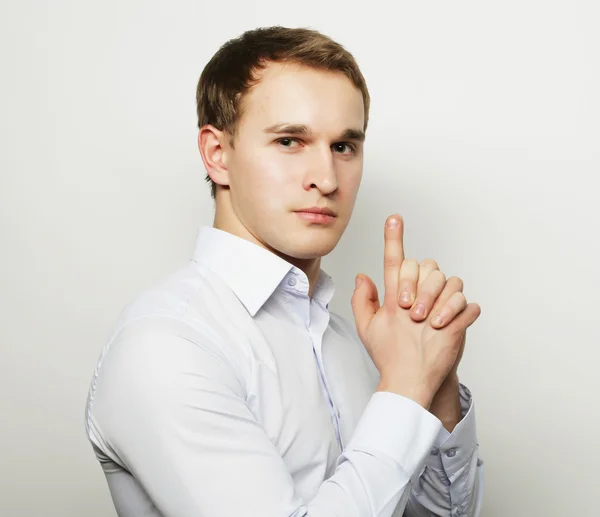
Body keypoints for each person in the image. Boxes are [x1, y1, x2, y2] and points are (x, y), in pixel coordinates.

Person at [84, 26, 483, 517]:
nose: (327, 178)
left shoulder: (348, 340)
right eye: (291, 141)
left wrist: (434, 378)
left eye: (344, 147)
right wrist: (405, 386)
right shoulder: (166, 343)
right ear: (217, 155)